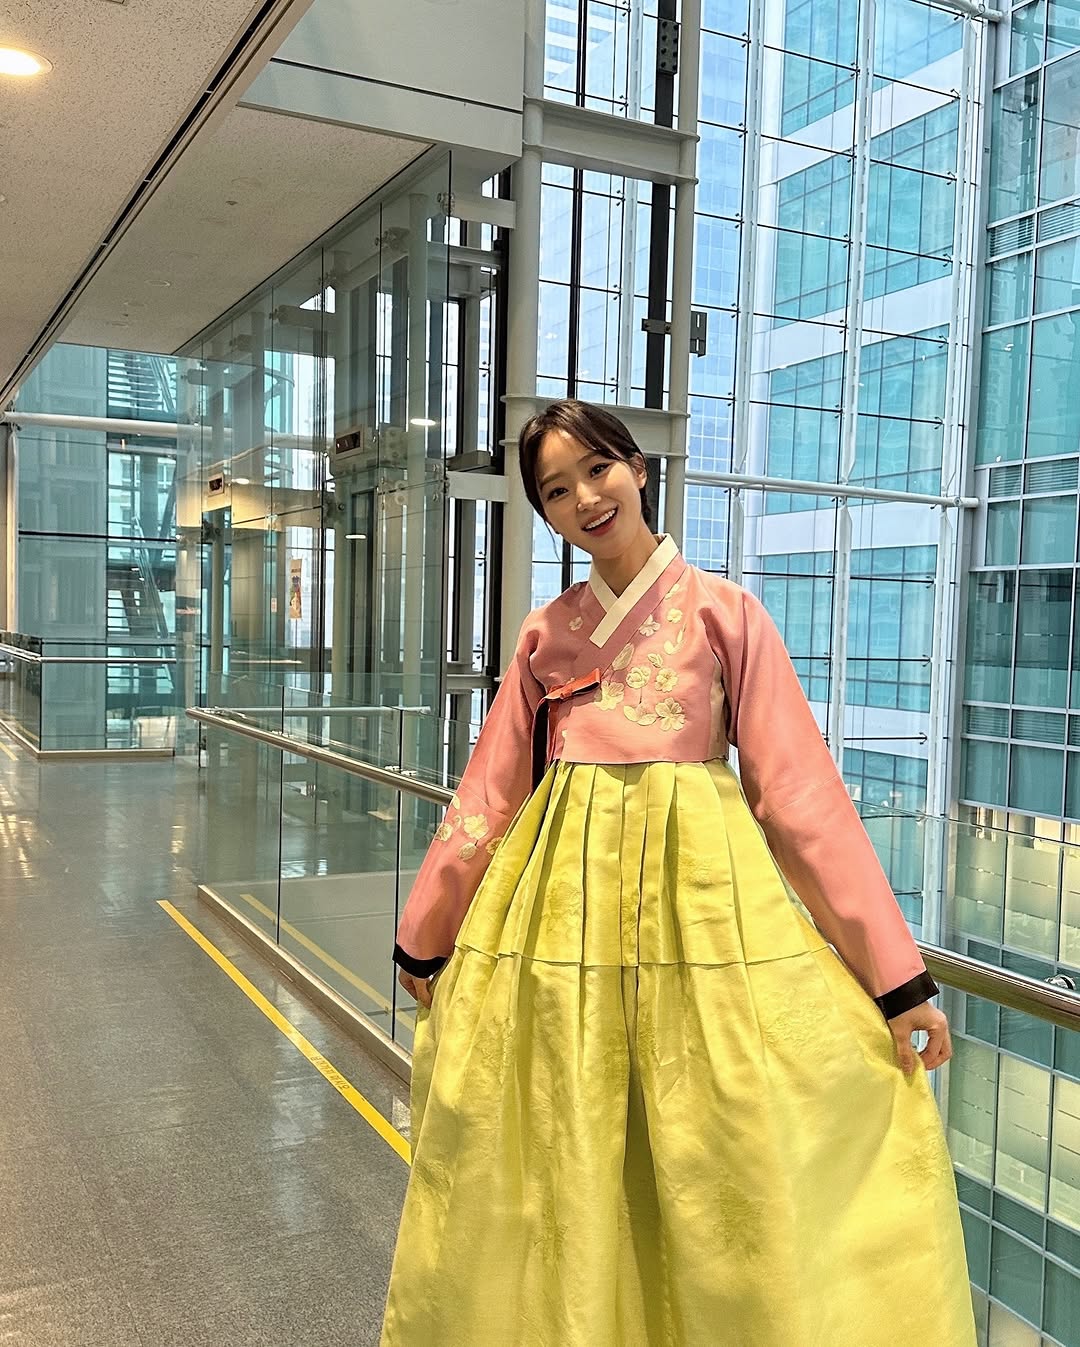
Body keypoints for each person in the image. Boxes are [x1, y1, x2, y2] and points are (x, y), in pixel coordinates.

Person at [380, 400, 976, 1347]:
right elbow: (490, 792)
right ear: (545, 513)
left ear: (638, 467)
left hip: (703, 914)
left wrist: (896, 981)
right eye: (556, 491)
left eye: (597, 469)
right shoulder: (545, 636)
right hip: (561, 926)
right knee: (569, 1137)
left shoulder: (724, 614)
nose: (585, 498)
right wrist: (425, 933)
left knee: (716, 1133)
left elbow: (799, 797)